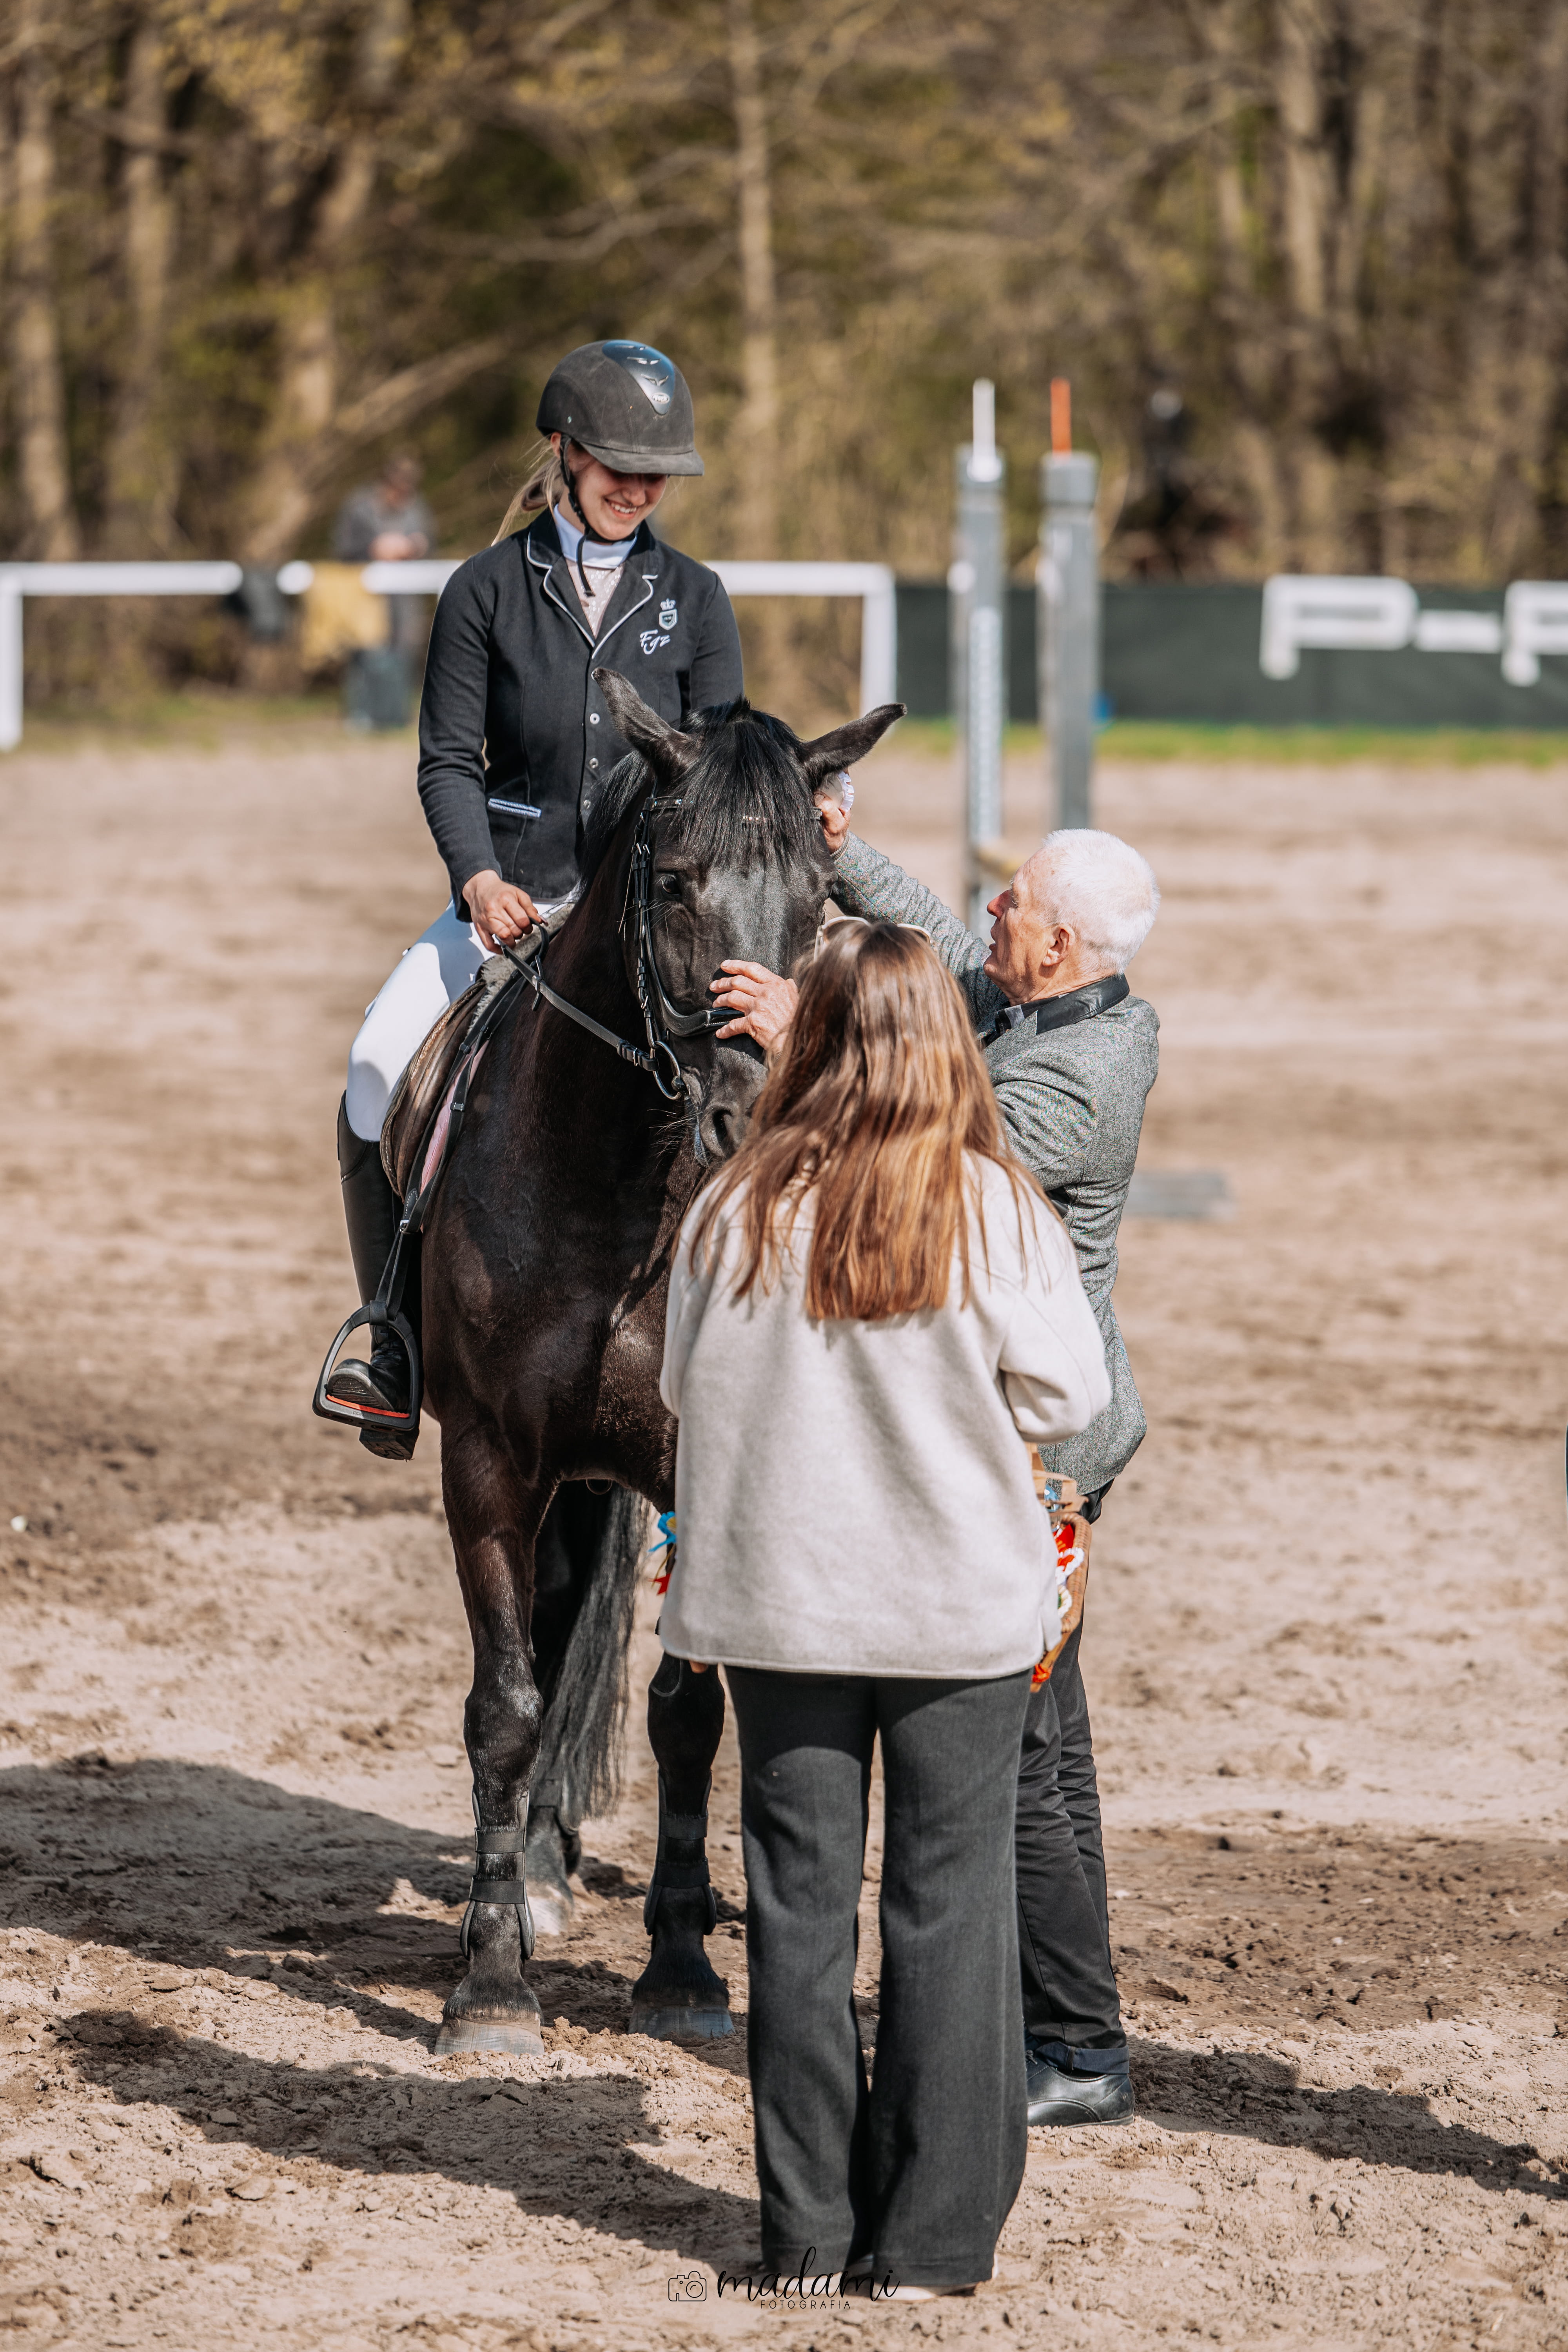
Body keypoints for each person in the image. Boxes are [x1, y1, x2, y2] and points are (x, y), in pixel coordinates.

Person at [659, 921, 1111, 2298]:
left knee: (796, 1916)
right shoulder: (990, 1206)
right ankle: (931, 2240)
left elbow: (682, 1388)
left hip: (779, 1610)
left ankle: (804, 2231)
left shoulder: (731, 1205)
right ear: (943, 1044)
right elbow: (1068, 1400)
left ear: (813, 1038)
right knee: (949, 1908)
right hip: (952, 1609)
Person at [713, 821, 1160, 2130]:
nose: (991, 911)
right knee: (1052, 1749)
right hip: (1034, 1439)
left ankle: (1078, 2052)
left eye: (1013, 902)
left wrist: (815, 1033)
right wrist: (849, 849)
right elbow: (949, 947)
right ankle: (1071, 2029)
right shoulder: (1052, 1001)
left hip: (1036, 1463)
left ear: (1062, 946)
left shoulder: (1069, 1082)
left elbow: (921, 1146)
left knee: (1016, 1763)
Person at [325, 341, 742, 1450]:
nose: (640, 488)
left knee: (755, 1093)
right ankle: (393, 1341)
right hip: (509, 907)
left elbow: (725, 759)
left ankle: (753, 1363)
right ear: (565, 451)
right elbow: (446, 761)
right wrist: (477, 879)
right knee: (373, 1075)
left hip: (654, 922)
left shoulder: (694, 599)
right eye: (619, 464)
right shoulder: (485, 591)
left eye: (659, 474)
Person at [332, 453, 436, 730]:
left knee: (403, 652)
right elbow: (341, 549)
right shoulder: (359, 507)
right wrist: (373, 548)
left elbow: (429, 544)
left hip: (404, 599)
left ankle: (396, 716)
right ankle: (362, 716)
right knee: (365, 653)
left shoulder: (417, 508)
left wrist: (412, 548)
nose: (402, 493)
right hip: (364, 597)